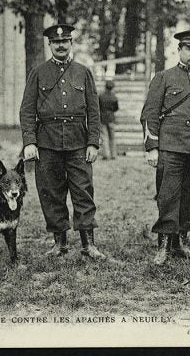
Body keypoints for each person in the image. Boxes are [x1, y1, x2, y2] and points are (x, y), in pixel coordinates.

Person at [19, 23, 106, 260]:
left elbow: (94, 111)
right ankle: (60, 243)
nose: (60, 45)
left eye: (64, 41)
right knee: (51, 193)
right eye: (56, 42)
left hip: (78, 143)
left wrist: (93, 143)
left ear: (70, 44)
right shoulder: (38, 73)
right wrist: (30, 142)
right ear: (49, 45)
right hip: (47, 143)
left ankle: (89, 244)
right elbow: (27, 110)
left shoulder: (83, 72)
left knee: (83, 191)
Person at [140, 30, 190, 265]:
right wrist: (152, 147)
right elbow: (150, 114)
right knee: (168, 197)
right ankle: (164, 247)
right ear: (179, 50)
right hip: (171, 148)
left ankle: (180, 243)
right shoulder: (164, 78)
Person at [99, 79, 119, 159]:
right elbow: (116, 108)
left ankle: (106, 154)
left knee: (105, 137)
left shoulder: (101, 96)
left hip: (103, 118)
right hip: (111, 118)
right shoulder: (114, 97)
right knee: (112, 137)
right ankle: (113, 154)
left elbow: (98, 106)